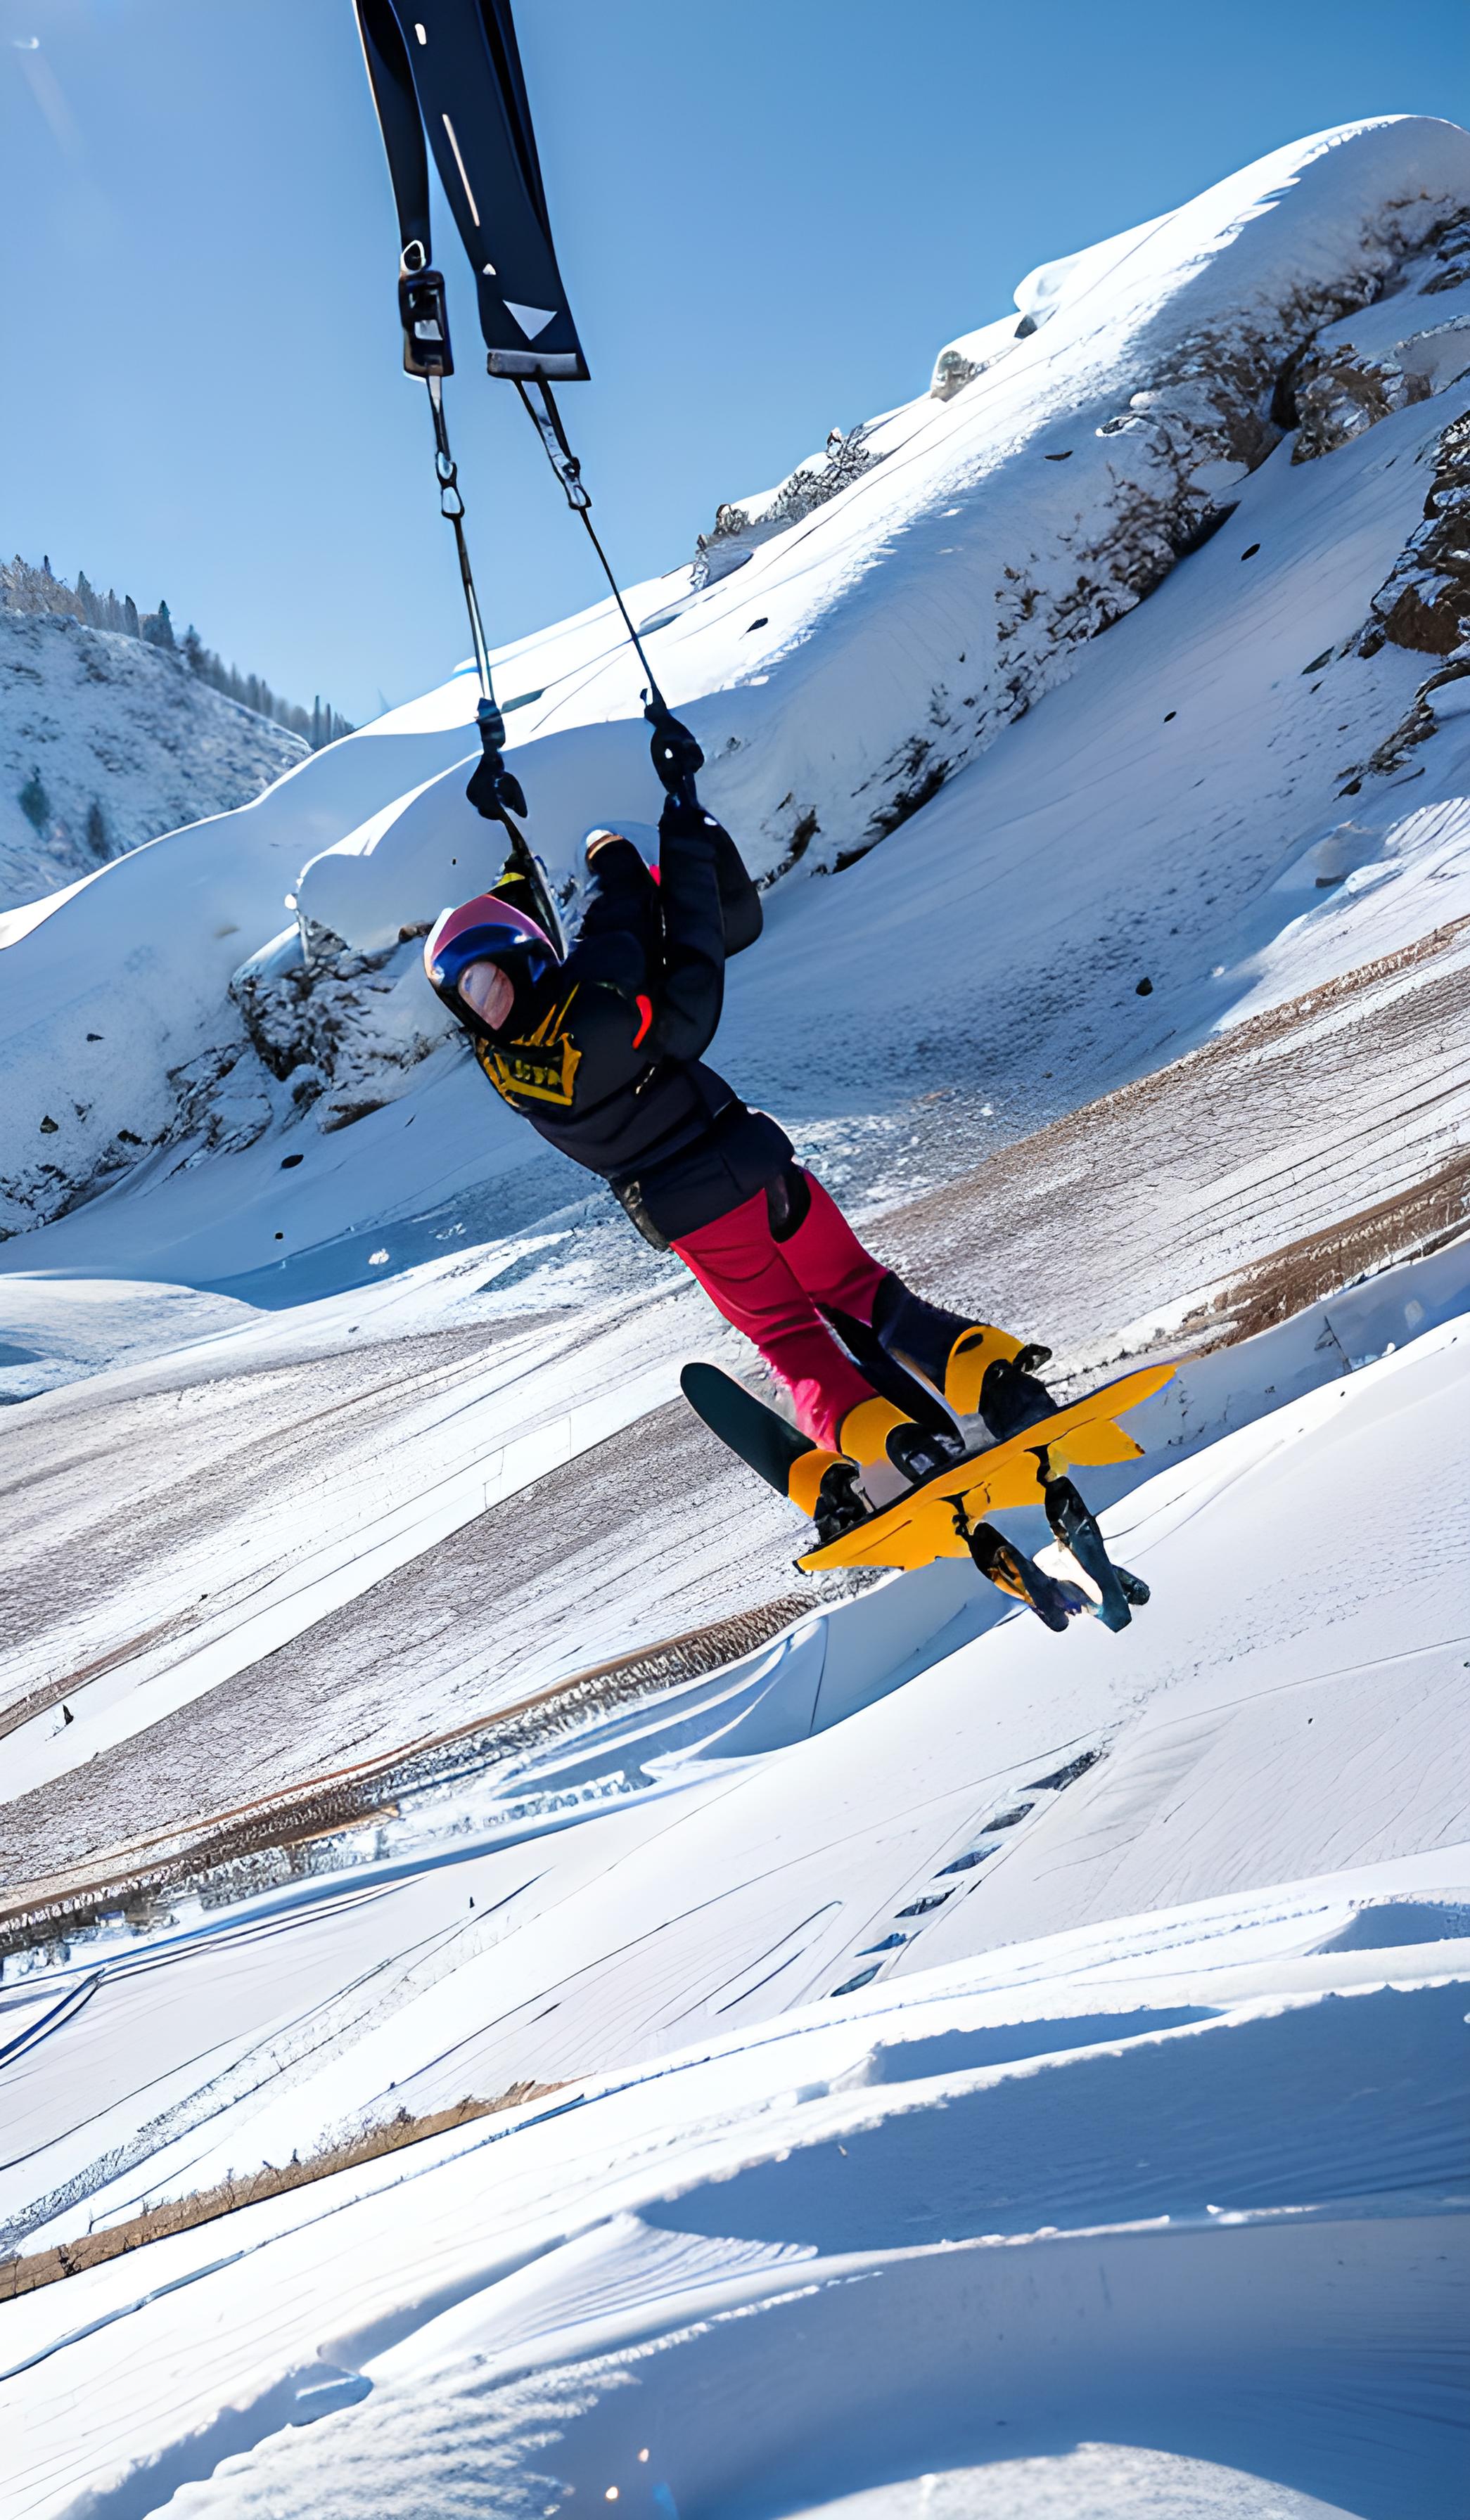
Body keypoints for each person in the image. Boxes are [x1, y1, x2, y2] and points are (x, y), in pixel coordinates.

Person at [424, 719, 1037, 1536]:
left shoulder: (505, 1068)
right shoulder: (601, 993)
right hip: (755, 1162)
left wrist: (509, 838)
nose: (483, 1001)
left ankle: (893, 1447)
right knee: (861, 1286)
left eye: (481, 986)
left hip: (696, 1216)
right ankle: (989, 1376)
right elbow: (625, 912)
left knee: (788, 1336)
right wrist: (627, 839)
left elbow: (521, 945)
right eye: (474, 993)